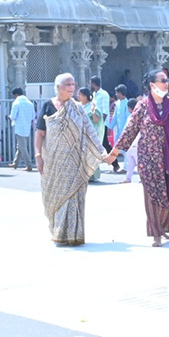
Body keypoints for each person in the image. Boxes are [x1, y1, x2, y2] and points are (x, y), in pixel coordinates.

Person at [104, 68, 169, 246]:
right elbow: (130, 130)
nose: (166, 84)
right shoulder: (142, 105)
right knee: (152, 194)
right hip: (148, 157)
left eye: (166, 80)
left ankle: (164, 227)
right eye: (162, 81)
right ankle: (156, 233)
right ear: (152, 85)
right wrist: (114, 153)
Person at [35, 73, 104, 245]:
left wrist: (103, 153)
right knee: (53, 197)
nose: (71, 87)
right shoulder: (47, 106)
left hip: (75, 162)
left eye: (73, 84)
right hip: (52, 161)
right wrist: (38, 155)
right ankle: (57, 230)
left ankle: (73, 234)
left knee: (73, 197)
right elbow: (40, 133)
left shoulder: (78, 107)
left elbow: (90, 132)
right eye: (67, 84)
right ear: (58, 87)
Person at [76, 87, 105, 182]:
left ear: (85, 96)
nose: (78, 96)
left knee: (91, 154)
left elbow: (96, 120)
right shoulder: (79, 106)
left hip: (91, 135)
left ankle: (92, 175)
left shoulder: (92, 106)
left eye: (79, 94)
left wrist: (92, 110)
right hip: (81, 133)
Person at [8, 87, 37, 172]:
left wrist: (9, 117)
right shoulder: (30, 103)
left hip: (19, 127)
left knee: (22, 147)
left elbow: (13, 116)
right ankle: (15, 163)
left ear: (16, 95)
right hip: (27, 127)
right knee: (20, 146)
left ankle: (29, 165)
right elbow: (32, 116)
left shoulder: (16, 103)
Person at [89, 76, 112, 168]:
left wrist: (102, 124)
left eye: (90, 83)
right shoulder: (94, 94)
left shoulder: (104, 94)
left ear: (94, 84)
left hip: (102, 123)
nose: (90, 85)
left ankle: (114, 162)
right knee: (101, 143)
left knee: (104, 143)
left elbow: (105, 111)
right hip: (96, 122)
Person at [109, 84, 130, 173]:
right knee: (116, 148)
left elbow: (128, 118)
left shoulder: (127, 103)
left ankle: (126, 168)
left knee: (126, 150)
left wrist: (127, 131)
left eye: (117, 93)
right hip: (118, 131)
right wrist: (110, 127)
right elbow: (114, 117)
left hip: (125, 131)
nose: (116, 94)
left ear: (121, 93)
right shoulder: (117, 103)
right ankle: (115, 166)